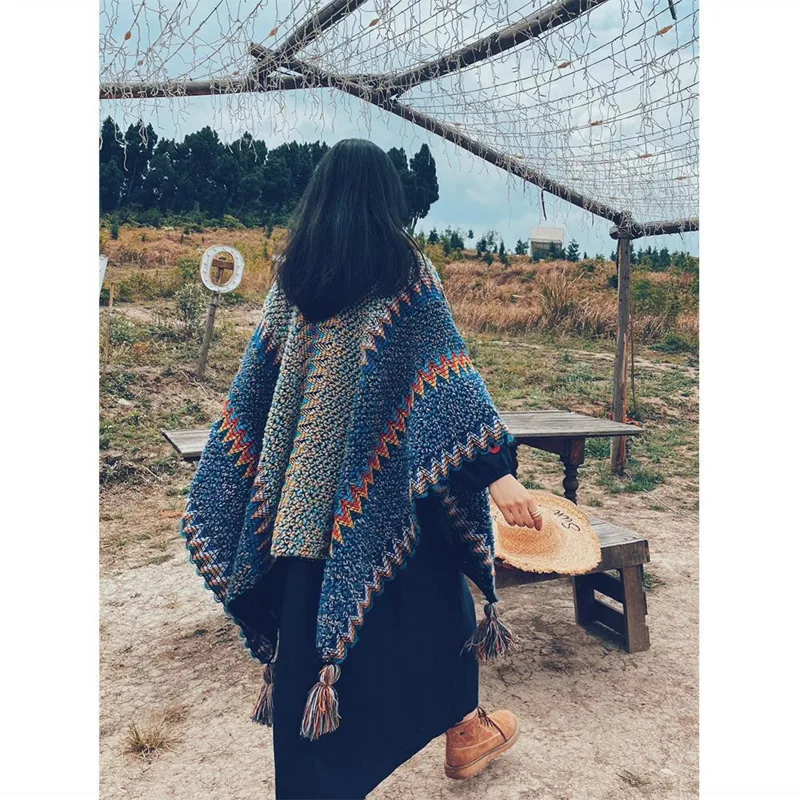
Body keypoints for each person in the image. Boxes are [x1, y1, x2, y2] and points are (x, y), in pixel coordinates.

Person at [181, 138, 543, 800]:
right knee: (441, 612)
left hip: (303, 512)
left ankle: (439, 741)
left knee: (314, 647)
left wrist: (235, 480)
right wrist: (497, 473)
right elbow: (449, 382)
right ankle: (463, 728)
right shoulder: (405, 275)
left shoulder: (294, 279)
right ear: (386, 198)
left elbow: (254, 393)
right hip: (388, 506)